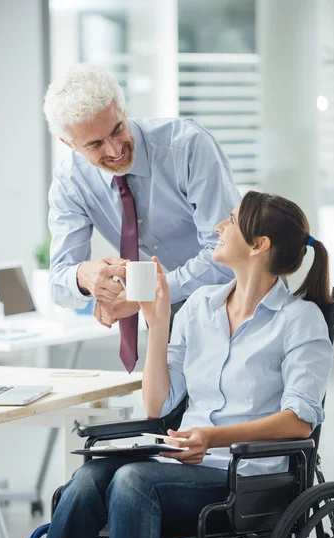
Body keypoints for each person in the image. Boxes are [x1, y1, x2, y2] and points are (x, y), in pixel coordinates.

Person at [23, 191, 333, 538]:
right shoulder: (201, 306)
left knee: (134, 481)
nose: (220, 228)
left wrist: (212, 438)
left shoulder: (300, 320)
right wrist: (158, 322)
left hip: (248, 480)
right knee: (87, 480)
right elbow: (158, 407)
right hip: (182, 465)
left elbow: (300, 420)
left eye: (232, 221)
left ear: (259, 246)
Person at [43, 63, 240, 371]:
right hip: (166, 319)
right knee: (168, 415)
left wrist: (141, 294)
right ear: (69, 145)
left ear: (122, 110)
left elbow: (228, 259)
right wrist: (85, 277)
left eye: (117, 129)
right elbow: (58, 282)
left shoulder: (188, 146)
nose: (115, 149)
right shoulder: (71, 183)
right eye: (95, 144)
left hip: (235, 306)